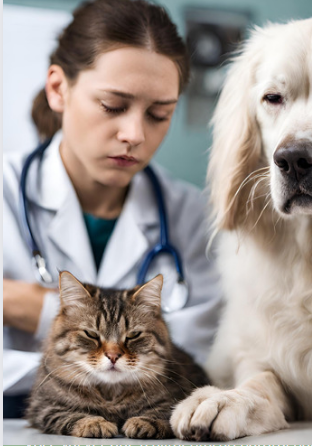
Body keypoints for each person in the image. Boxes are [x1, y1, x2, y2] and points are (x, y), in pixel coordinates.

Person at [3, 0, 221, 418]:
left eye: (160, 114)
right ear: (58, 90)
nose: (135, 134)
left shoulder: (193, 217)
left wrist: (39, 310)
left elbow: (200, 358)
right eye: (113, 106)